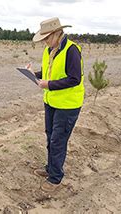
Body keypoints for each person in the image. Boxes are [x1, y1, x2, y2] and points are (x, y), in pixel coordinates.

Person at [28, 17, 84, 192]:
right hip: (51, 102)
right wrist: (33, 74)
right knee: (50, 136)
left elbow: (74, 79)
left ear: (57, 33)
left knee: (58, 141)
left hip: (67, 105)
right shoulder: (49, 50)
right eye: (43, 39)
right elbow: (48, 72)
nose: (45, 42)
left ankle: (55, 179)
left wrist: (49, 85)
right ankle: (50, 168)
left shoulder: (71, 50)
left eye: (46, 38)